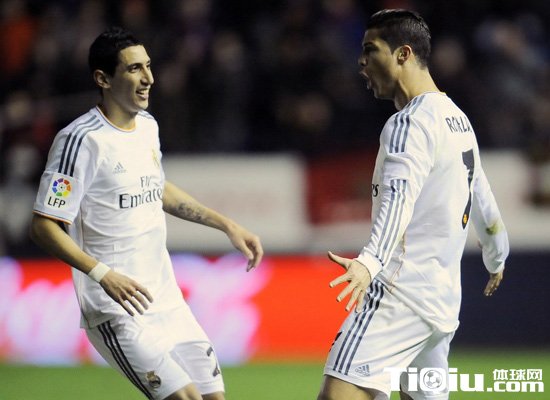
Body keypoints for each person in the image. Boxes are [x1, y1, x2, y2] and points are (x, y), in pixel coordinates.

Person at [30, 27, 263, 400]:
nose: (149, 78)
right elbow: (44, 226)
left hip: (167, 300)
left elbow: (158, 188)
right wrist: (103, 275)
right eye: (134, 68)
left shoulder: (147, 127)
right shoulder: (81, 140)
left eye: (148, 66)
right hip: (116, 307)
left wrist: (226, 224)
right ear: (103, 79)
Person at [317, 9, 509, 400]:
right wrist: (497, 255)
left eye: (371, 50)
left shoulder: (409, 122)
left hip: (398, 297)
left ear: (403, 53)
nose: (361, 62)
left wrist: (370, 262)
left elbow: (398, 199)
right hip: (440, 308)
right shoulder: (457, 119)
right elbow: (482, 198)